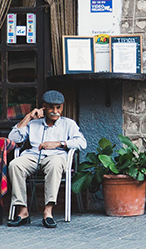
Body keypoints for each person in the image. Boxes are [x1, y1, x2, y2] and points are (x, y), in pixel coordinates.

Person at [7, 90, 86, 228]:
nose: (55, 111)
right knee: (15, 164)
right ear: (44, 107)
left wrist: (59, 143)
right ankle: (22, 211)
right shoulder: (33, 123)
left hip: (56, 156)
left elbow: (82, 143)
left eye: (58, 107)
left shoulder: (68, 124)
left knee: (55, 164)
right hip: (33, 156)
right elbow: (12, 138)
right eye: (51, 107)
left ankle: (48, 212)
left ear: (62, 107)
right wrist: (29, 116)